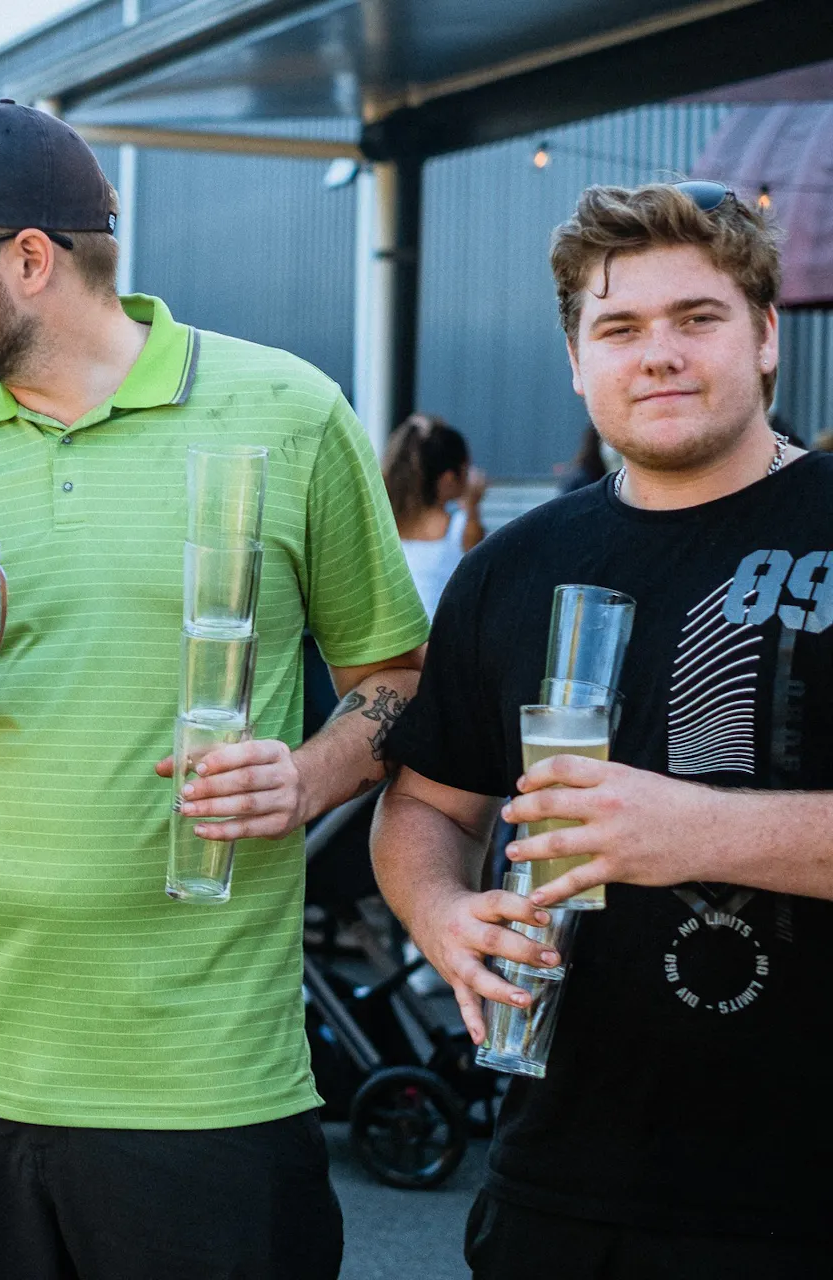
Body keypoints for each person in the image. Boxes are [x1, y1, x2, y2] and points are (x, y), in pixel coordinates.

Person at [0, 101, 428, 1280]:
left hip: (202, 1093)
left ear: (30, 259)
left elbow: (396, 676)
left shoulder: (288, 412)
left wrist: (304, 775)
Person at [374, 182, 831, 1278]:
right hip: (565, 1191)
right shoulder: (510, 571)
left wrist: (698, 832)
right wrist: (443, 915)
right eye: (620, 327)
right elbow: (429, 805)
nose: (658, 353)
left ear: (767, 337)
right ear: (578, 362)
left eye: (698, 318)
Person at [382, 413, 486, 615]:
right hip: (441, 642)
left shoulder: (386, 523)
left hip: (397, 643)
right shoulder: (462, 527)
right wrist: (473, 505)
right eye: (466, 469)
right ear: (449, 479)